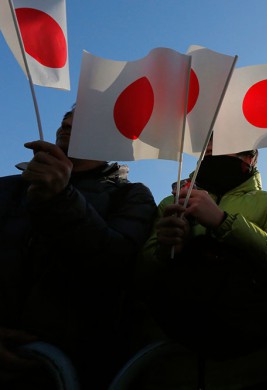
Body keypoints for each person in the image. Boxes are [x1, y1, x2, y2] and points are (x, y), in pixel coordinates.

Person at [0, 108, 157, 389]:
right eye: (65, 119)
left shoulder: (131, 196)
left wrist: (61, 200)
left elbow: (116, 265)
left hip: (76, 368)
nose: (68, 124)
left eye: (83, 119)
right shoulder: (8, 189)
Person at [139, 138, 267, 389]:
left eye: (224, 139)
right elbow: (141, 274)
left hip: (251, 368)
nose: (211, 146)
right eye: (208, 142)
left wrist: (223, 221)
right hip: (174, 364)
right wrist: (166, 249)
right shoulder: (172, 202)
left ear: (250, 156)